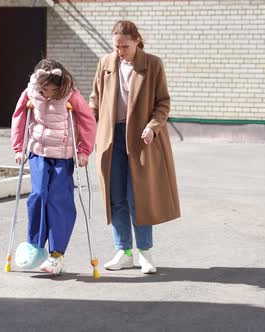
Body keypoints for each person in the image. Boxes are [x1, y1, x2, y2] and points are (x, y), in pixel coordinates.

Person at [89, 20, 180, 274]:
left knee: (138, 197)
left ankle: (145, 253)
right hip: (111, 137)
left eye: (125, 46)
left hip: (141, 137)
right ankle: (124, 252)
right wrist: (86, 126)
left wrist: (153, 126)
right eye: (116, 46)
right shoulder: (106, 63)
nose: (120, 51)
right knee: (116, 197)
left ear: (137, 40)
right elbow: (95, 99)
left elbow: (163, 103)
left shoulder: (152, 64)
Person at [11, 59, 96, 275]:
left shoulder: (71, 95)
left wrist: (84, 150)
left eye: (52, 89)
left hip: (63, 155)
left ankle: (56, 254)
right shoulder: (30, 93)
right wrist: (19, 148)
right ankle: (35, 245)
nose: (48, 93)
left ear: (60, 84)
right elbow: (20, 117)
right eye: (44, 88)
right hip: (38, 151)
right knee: (39, 194)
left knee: (59, 199)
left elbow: (87, 121)